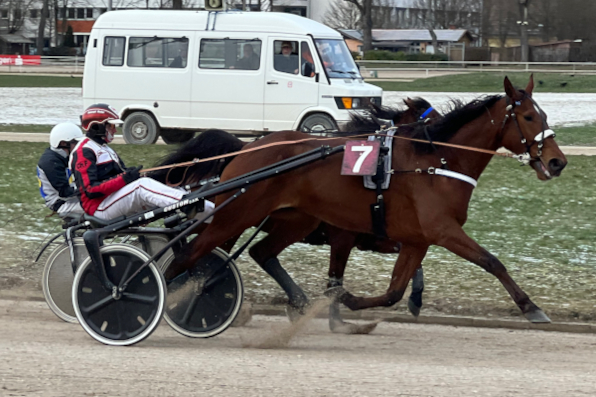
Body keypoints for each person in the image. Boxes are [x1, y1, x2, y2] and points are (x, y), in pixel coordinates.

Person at [69, 104, 214, 221]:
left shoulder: (104, 148)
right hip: (98, 208)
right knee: (141, 187)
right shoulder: (84, 151)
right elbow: (90, 190)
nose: (114, 130)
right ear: (96, 126)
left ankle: (210, 212)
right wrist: (125, 178)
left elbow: (119, 176)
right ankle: (187, 202)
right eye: (111, 126)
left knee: (152, 181)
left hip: (111, 201)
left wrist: (131, 175)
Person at [37, 123, 85, 219]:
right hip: (60, 203)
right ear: (63, 143)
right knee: (103, 208)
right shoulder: (50, 163)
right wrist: (91, 187)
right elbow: (64, 192)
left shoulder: (64, 156)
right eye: (75, 142)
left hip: (71, 199)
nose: (79, 146)